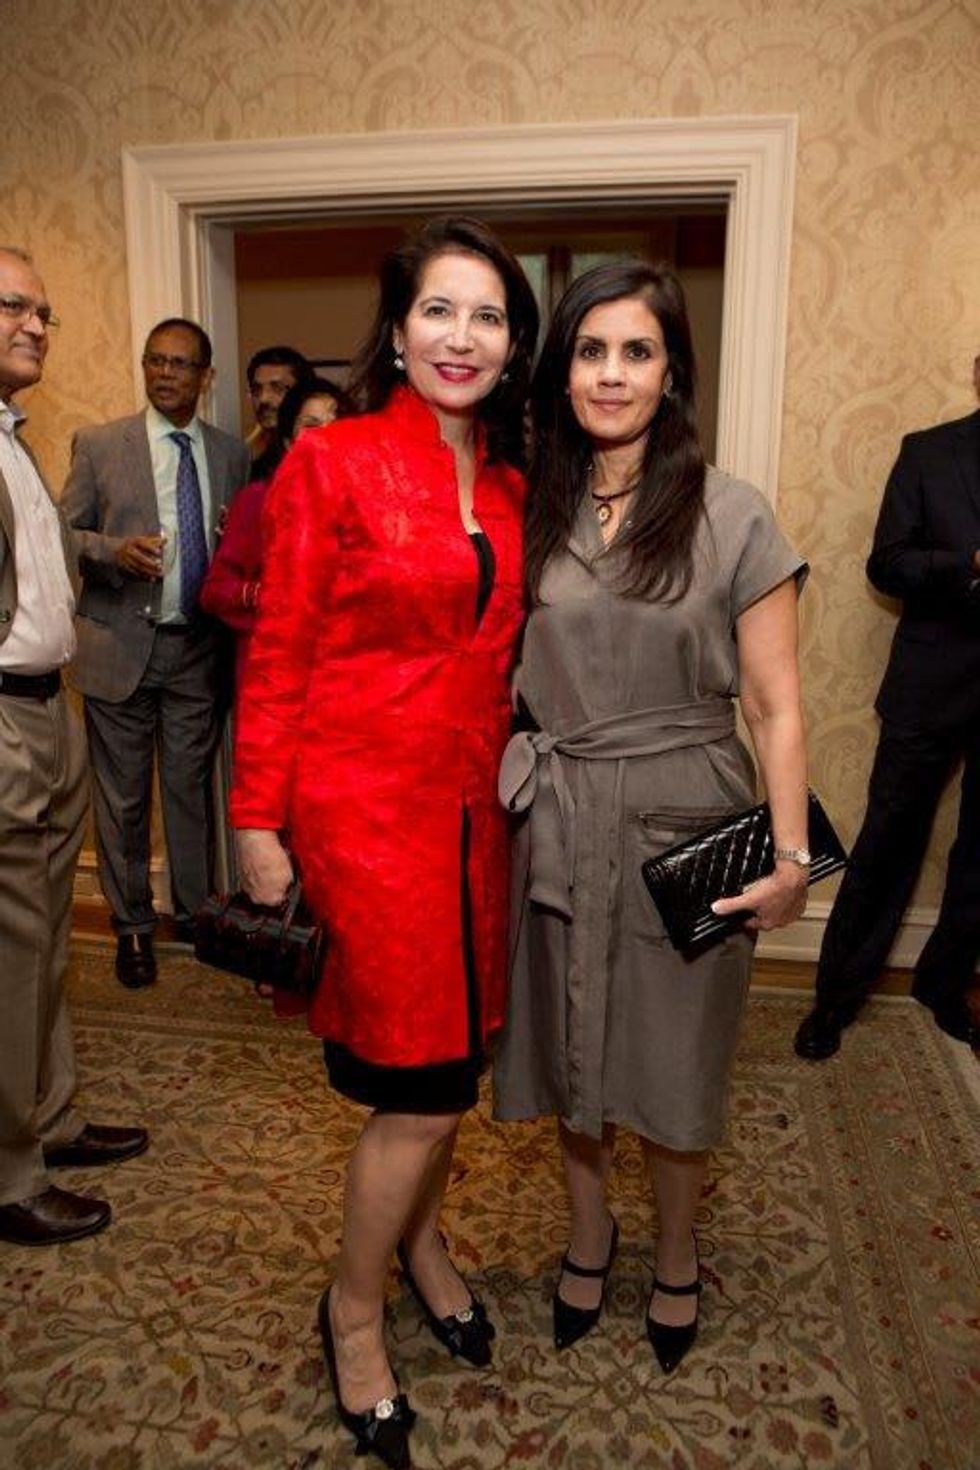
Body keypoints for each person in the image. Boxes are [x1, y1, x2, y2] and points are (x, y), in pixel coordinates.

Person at [230, 217, 538, 1468]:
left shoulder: (518, 488)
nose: (461, 337)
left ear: (513, 346)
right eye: (438, 312)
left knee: (452, 1068)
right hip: (363, 819)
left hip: (480, 825)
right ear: (398, 333)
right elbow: (279, 648)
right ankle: (351, 1311)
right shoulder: (335, 464)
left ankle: (419, 1245)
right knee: (410, 1089)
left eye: (487, 317)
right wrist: (257, 819)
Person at [493, 261, 809, 1373]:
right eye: (590, 351)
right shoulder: (526, 502)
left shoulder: (732, 512)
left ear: (672, 371)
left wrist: (789, 857)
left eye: (636, 350)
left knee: (673, 1070)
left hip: (690, 828)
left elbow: (771, 704)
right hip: (561, 818)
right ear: (562, 371)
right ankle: (589, 1235)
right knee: (571, 1057)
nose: (611, 373)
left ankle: (675, 1252)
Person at [0, 246, 147, 1248]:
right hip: (2, 718)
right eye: (15, 306)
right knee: (11, 952)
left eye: (45, 312)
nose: (37, 327)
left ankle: (49, 1120)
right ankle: (9, 1176)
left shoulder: (13, 439)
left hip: (51, 708)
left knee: (47, 938)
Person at [795, 354, 980, 1061]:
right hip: (930, 683)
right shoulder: (930, 453)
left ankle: (944, 983)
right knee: (888, 843)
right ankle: (834, 999)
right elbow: (888, 563)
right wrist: (968, 563)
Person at [61, 319, 251, 988]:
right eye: (156, 361)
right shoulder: (101, 443)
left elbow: (248, 552)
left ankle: (197, 916)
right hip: (118, 647)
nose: (166, 373)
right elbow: (64, 534)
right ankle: (133, 927)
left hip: (197, 651)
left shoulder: (232, 455)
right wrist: (112, 551)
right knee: (123, 800)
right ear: (144, 367)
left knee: (190, 792)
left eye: (181, 364)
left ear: (206, 377)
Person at [200, 376, 355, 682]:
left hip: (344, 679)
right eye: (311, 425)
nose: (326, 435)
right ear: (288, 441)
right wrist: (264, 594)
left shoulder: (367, 507)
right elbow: (215, 591)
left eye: (336, 424)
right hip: (273, 675)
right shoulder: (258, 500)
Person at [244, 345, 312, 474]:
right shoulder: (245, 461)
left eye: (278, 388)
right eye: (256, 389)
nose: (263, 399)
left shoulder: (320, 455)